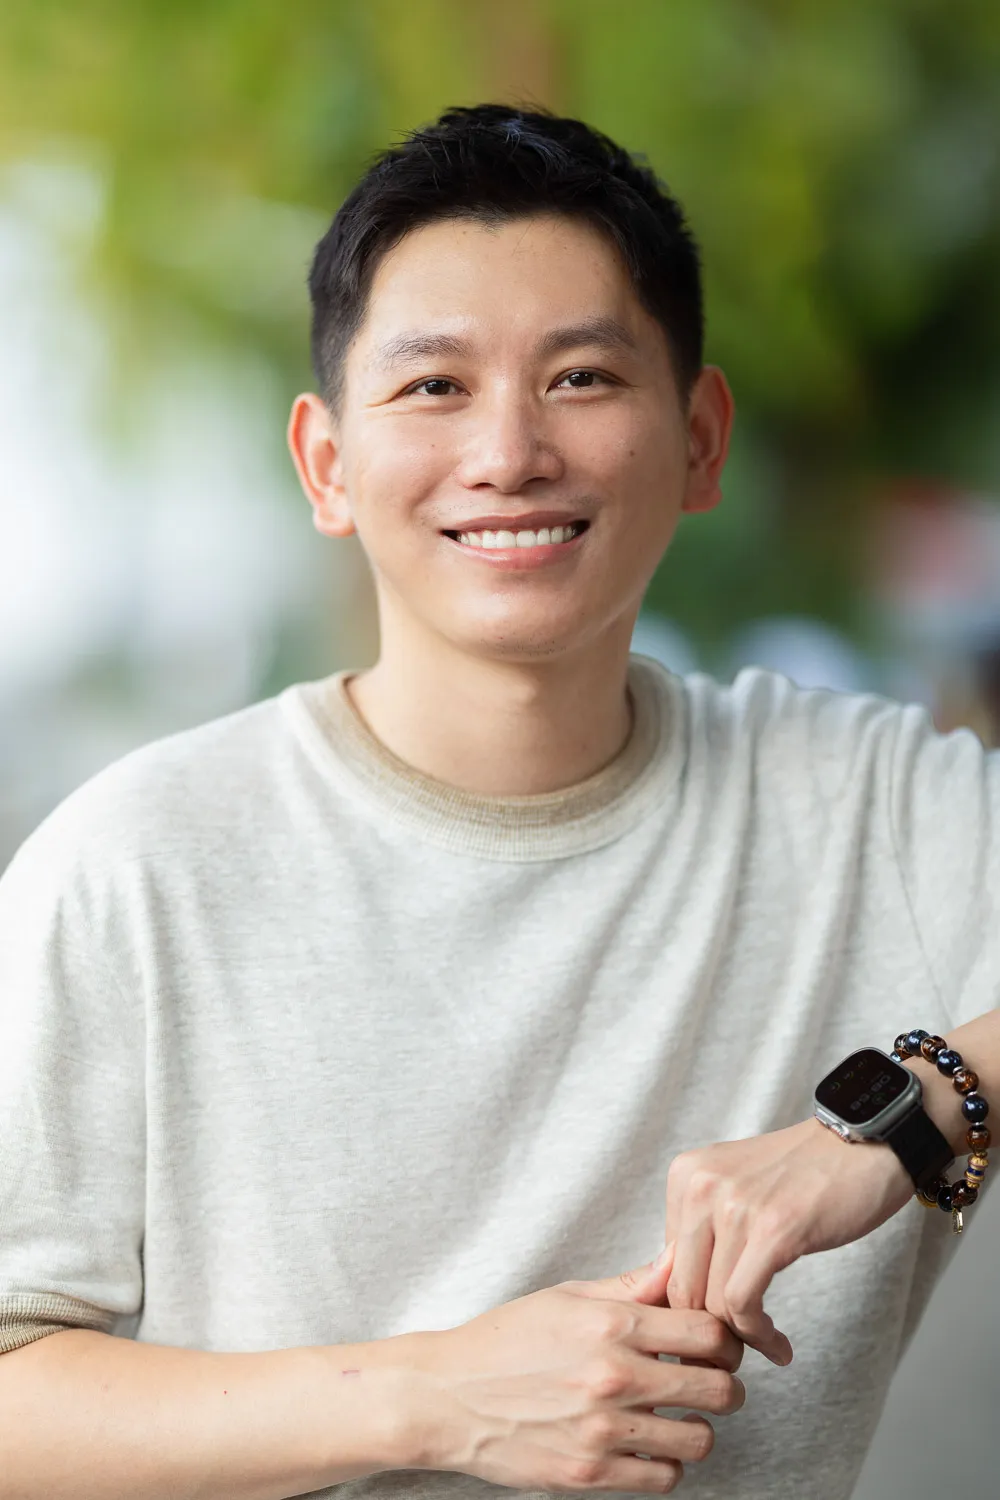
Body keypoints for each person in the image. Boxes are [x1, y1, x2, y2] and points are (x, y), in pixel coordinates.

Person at [0, 104, 997, 1500]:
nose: (511, 451)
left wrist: (912, 1113)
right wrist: (430, 1398)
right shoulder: (132, 867)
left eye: (583, 377)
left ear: (700, 438)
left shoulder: (870, 808)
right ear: (327, 464)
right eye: (432, 388)